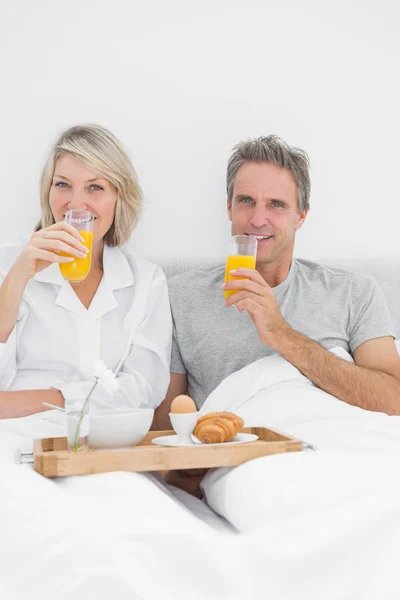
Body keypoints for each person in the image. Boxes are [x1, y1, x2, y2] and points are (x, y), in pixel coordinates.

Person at [155, 134, 400, 438]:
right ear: (229, 208)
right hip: (244, 463)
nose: (258, 219)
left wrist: (281, 335)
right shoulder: (179, 296)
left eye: (276, 205)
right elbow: (166, 430)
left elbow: (394, 401)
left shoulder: (354, 293)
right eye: (246, 201)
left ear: (301, 216)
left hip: (340, 447)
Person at [0, 124, 172, 418]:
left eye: (95, 187)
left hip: (101, 442)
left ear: (119, 196)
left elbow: (143, 391)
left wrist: (55, 399)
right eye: (63, 184)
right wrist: (15, 280)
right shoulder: (9, 263)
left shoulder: (146, 281)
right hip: (15, 439)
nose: (76, 204)